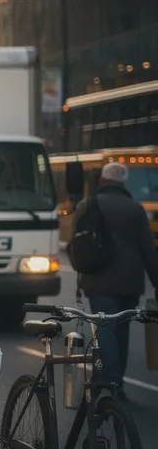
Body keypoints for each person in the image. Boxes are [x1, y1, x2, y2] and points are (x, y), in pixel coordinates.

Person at [75, 162, 158, 386]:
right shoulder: (136, 209)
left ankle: (109, 380)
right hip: (130, 284)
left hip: (98, 280)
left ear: (102, 180)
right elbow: (148, 250)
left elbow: (78, 243)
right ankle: (117, 379)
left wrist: (81, 272)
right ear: (124, 183)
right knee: (122, 331)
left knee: (105, 328)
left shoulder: (88, 205)